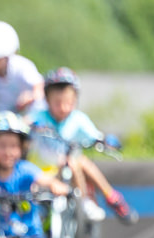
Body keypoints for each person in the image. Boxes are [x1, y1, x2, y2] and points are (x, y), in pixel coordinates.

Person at [29, 67, 138, 224]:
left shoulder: (78, 119)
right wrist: (28, 126)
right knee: (75, 161)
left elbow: (95, 135)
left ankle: (102, 198)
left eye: (68, 103)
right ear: (47, 100)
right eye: (57, 103)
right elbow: (25, 122)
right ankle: (95, 200)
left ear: (75, 101)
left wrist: (105, 142)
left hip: (67, 169)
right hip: (42, 173)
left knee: (78, 161)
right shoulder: (39, 117)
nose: (63, 108)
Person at [0, 20, 44, 123]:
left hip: (33, 116)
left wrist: (31, 96)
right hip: (7, 120)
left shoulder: (22, 66)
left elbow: (39, 86)